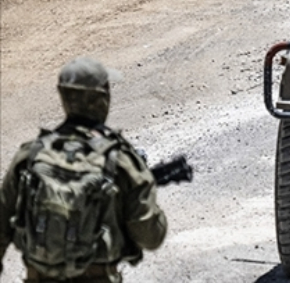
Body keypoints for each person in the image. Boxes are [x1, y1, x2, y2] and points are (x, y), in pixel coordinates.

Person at [0, 58, 168, 283]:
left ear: (63, 96)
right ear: (103, 98)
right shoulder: (120, 160)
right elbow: (151, 237)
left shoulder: (31, 155)